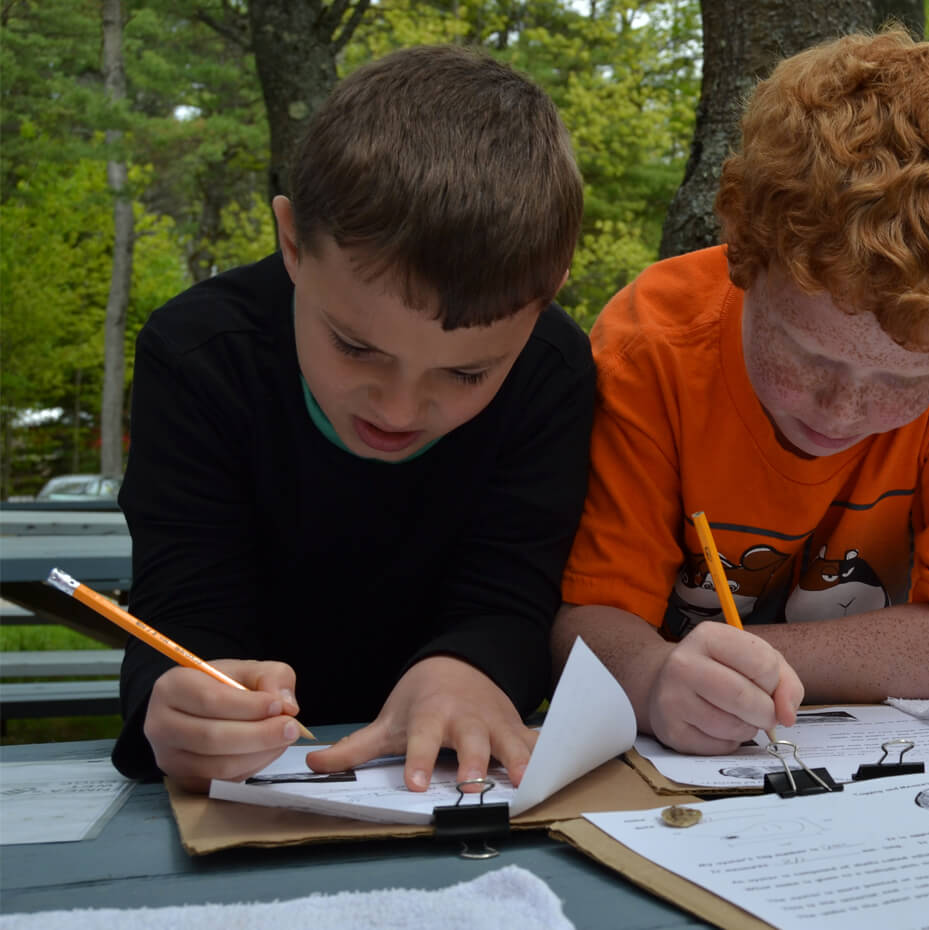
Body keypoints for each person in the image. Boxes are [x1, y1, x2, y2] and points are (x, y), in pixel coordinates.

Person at [552, 29, 929, 755]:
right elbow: (588, 616)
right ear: (743, 255)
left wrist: (749, 665)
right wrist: (649, 675)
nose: (842, 410)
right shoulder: (654, 345)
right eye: (807, 355)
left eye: (905, 380)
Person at [112, 44, 593, 794]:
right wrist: (171, 702)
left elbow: (514, 594)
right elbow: (178, 614)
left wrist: (468, 671)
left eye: (468, 372)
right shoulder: (200, 356)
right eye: (354, 346)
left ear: (547, 296)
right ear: (293, 242)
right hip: (250, 792)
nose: (399, 409)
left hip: (454, 787)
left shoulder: (553, 373)